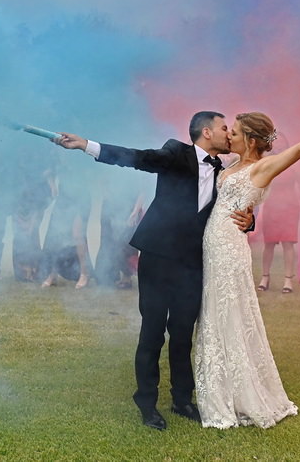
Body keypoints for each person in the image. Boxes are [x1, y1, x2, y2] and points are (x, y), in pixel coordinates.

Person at [54, 111, 253, 431]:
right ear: (206, 132)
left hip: (194, 263)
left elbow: (235, 209)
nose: (228, 134)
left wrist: (250, 221)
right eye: (223, 128)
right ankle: (147, 404)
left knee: (183, 333)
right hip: (159, 258)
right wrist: (87, 146)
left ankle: (182, 400)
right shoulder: (176, 153)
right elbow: (138, 158)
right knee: (152, 333)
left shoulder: (225, 171)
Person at [195, 112, 300, 429]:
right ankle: (224, 387)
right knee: (216, 313)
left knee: (230, 313)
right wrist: (249, 219)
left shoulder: (263, 167)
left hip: (228, 249)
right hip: (213, 243)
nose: (228, 136)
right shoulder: (230, 166)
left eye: (233, 132)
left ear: (249, 139)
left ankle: (238, 395)